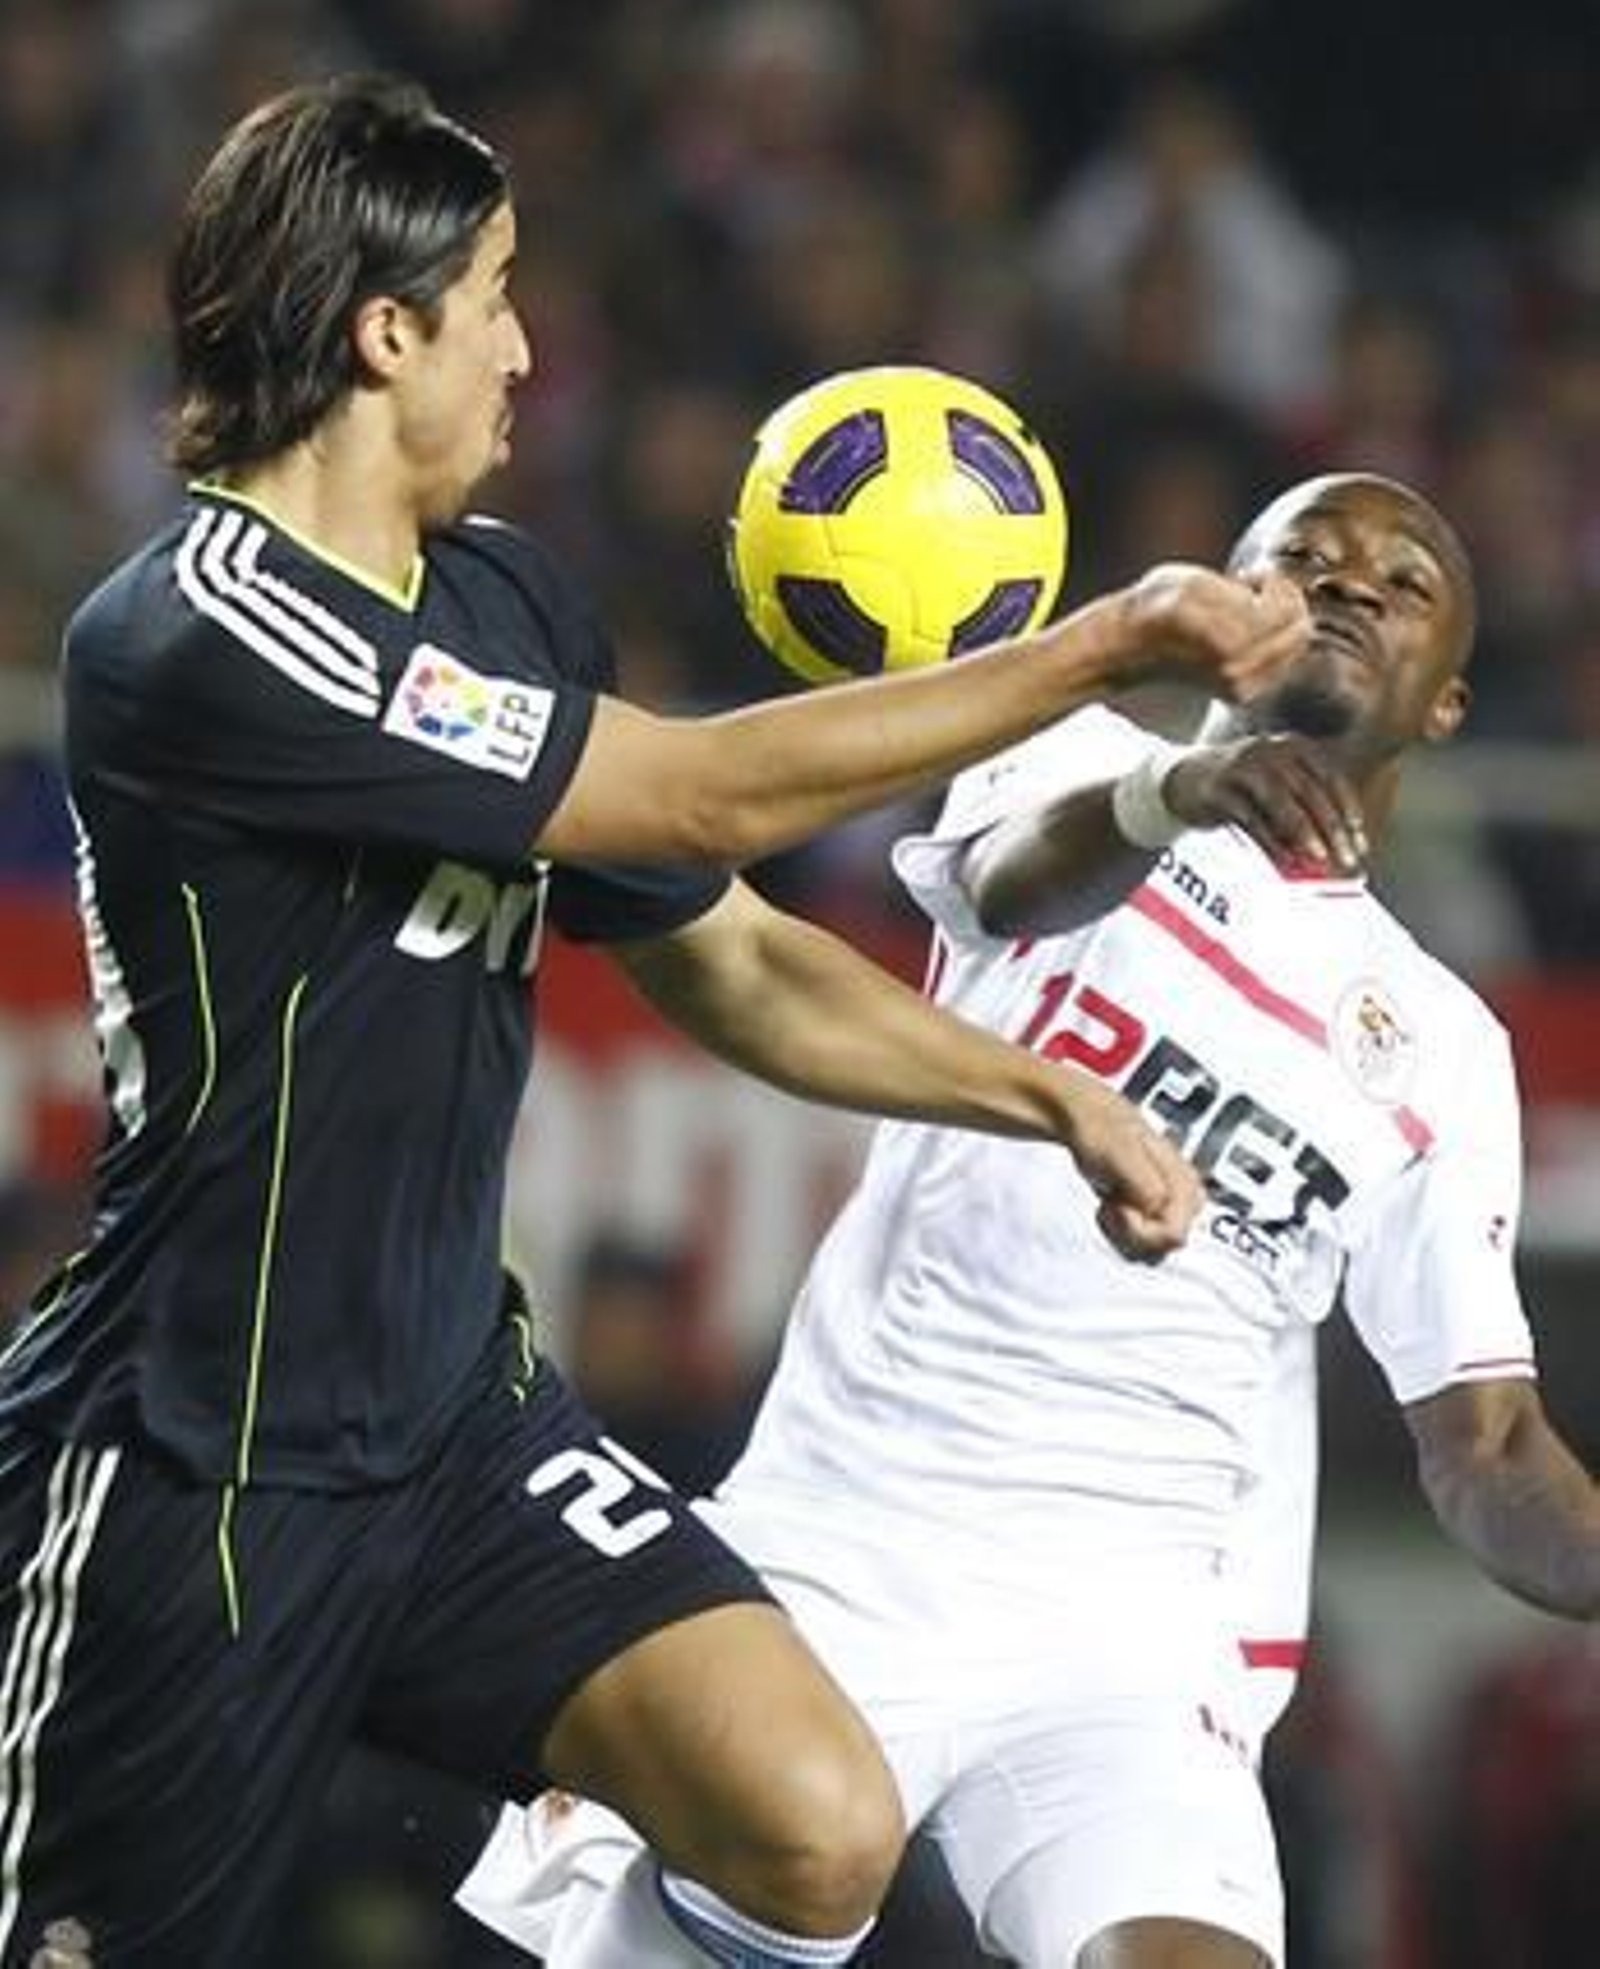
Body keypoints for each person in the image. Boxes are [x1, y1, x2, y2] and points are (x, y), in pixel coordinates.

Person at [0, 73, 1310, 1969]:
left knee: (815, 1821)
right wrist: (1101, 648)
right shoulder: (198, 626)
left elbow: (735, 952)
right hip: (199, 1469)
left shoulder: (507, 600)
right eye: (499, 297)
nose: (530, 352)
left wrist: (1050, 1096)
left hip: (457, 1431)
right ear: (387, 330)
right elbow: (693, 797)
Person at [459, 471, 1599, 1969]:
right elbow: (1010, 880)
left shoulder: (1447, 1048)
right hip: (845, 1547)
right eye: (1302, 558)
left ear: (1448, 703)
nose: (1348, 584)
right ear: (1223, 606)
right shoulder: (1072, 756)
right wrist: (1170, 792)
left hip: (1128, 1644)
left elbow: (1490, 1446)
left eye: (1405, 581)